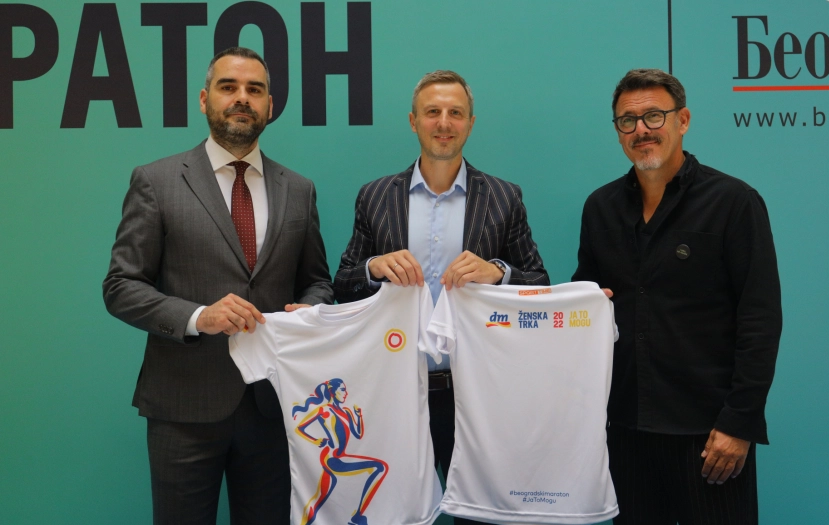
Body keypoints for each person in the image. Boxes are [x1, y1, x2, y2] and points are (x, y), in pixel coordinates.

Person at [102, 47, 333, 525]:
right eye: (229, 87)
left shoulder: (299, 189)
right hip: (183, 405)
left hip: (274, 406)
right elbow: (121, 285)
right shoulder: (156, 181)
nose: (242, 98)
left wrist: (309, 312)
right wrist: (197, 317)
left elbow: (316, 282)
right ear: (205, 99)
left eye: (255, 89)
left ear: (270, 105)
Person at [334, 70, 548, 524]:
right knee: (390, 514)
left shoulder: (504, 197)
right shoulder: (375, 196)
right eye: (433, 112)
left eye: (455, 113)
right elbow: (342, 285)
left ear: (471, 123)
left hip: (475, 392)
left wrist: (498, 272)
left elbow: (539, 283)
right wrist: (373, 268)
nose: (444, 123)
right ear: (413, 121)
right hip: (393, 390)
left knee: (482, 516)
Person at [572, 69, 782, 524]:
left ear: (682, 120)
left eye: (654, 116)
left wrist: (738, 422)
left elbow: (760, 320)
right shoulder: (600, 208)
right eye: (628, 121)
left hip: (709, 435)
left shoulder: (733, 202)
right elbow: (584, 306)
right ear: (617, 131)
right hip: (624, 430)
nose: (641, 130)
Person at [292, 379, 388, 525]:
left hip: (340, 456)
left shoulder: (347, 412)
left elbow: (358, 434)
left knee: (320, 497)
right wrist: (316, 440)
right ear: (332, 391)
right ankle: (357, 517)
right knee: (379, 467)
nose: (346, 393)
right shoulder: (324, 410)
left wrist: (358, 416)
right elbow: (300, 428)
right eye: (342, 390)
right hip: (332, 457)